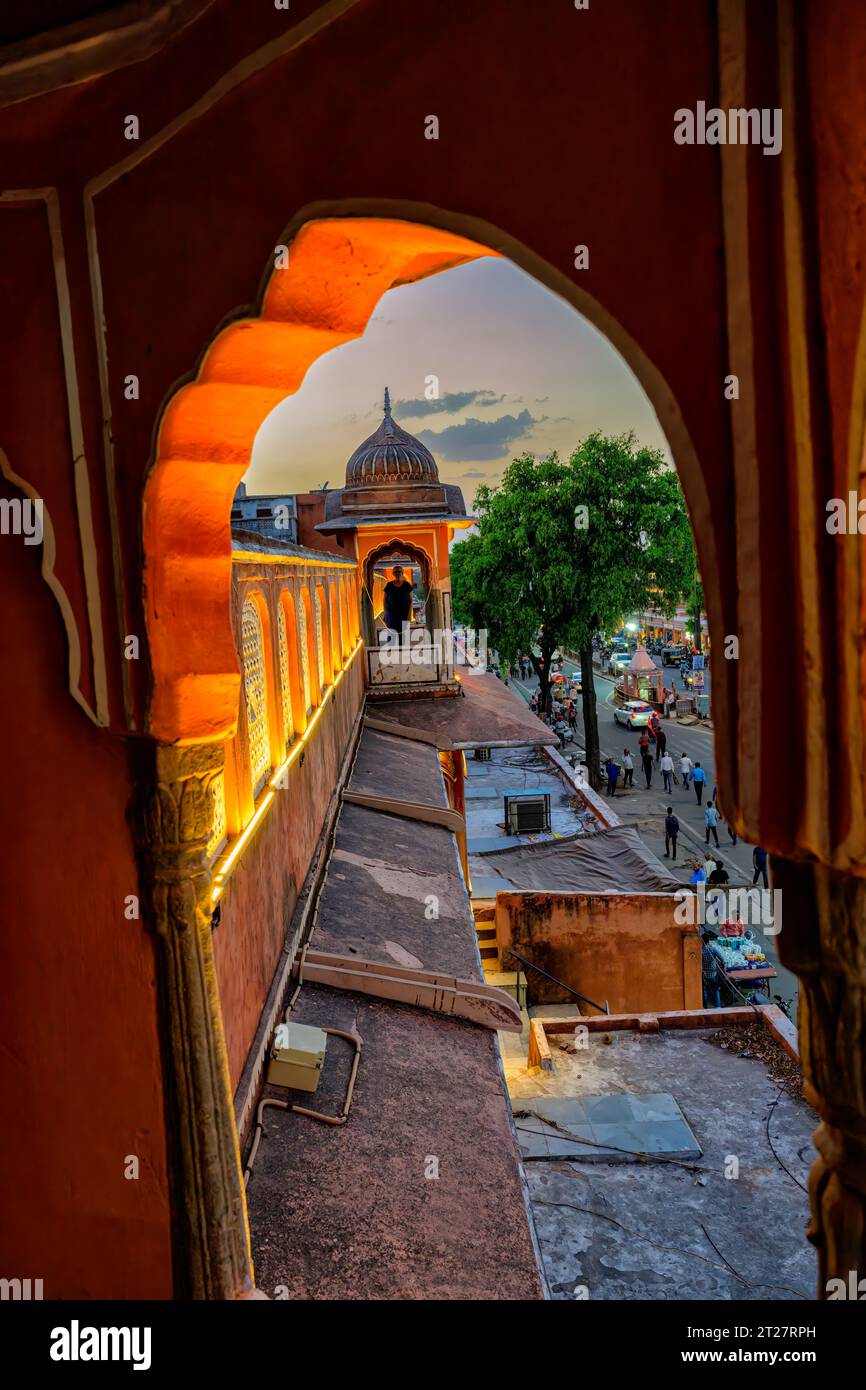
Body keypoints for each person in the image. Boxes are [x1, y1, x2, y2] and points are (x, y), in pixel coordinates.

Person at [382, 564, 415, 634]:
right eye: (395, 572)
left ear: (402, 572)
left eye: (399, 571)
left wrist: (410, 615)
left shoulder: (407, 585)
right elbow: (385, 600)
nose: (397, 573)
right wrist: (385, 613)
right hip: (391, 615)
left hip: (404, 615)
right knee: (392, 637)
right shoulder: (389, 585)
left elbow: (411, 600)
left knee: (404, 637)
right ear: (393, 574)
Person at [701, 930, 723, 1008]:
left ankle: (705, 1006)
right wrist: (723, 967)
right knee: (716, 989)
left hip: (704, 974)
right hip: (713, 974)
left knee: (704, 991)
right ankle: (718, 1006)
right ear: (709, 941)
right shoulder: (713, 950)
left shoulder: (700, 951)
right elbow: (722, 959)